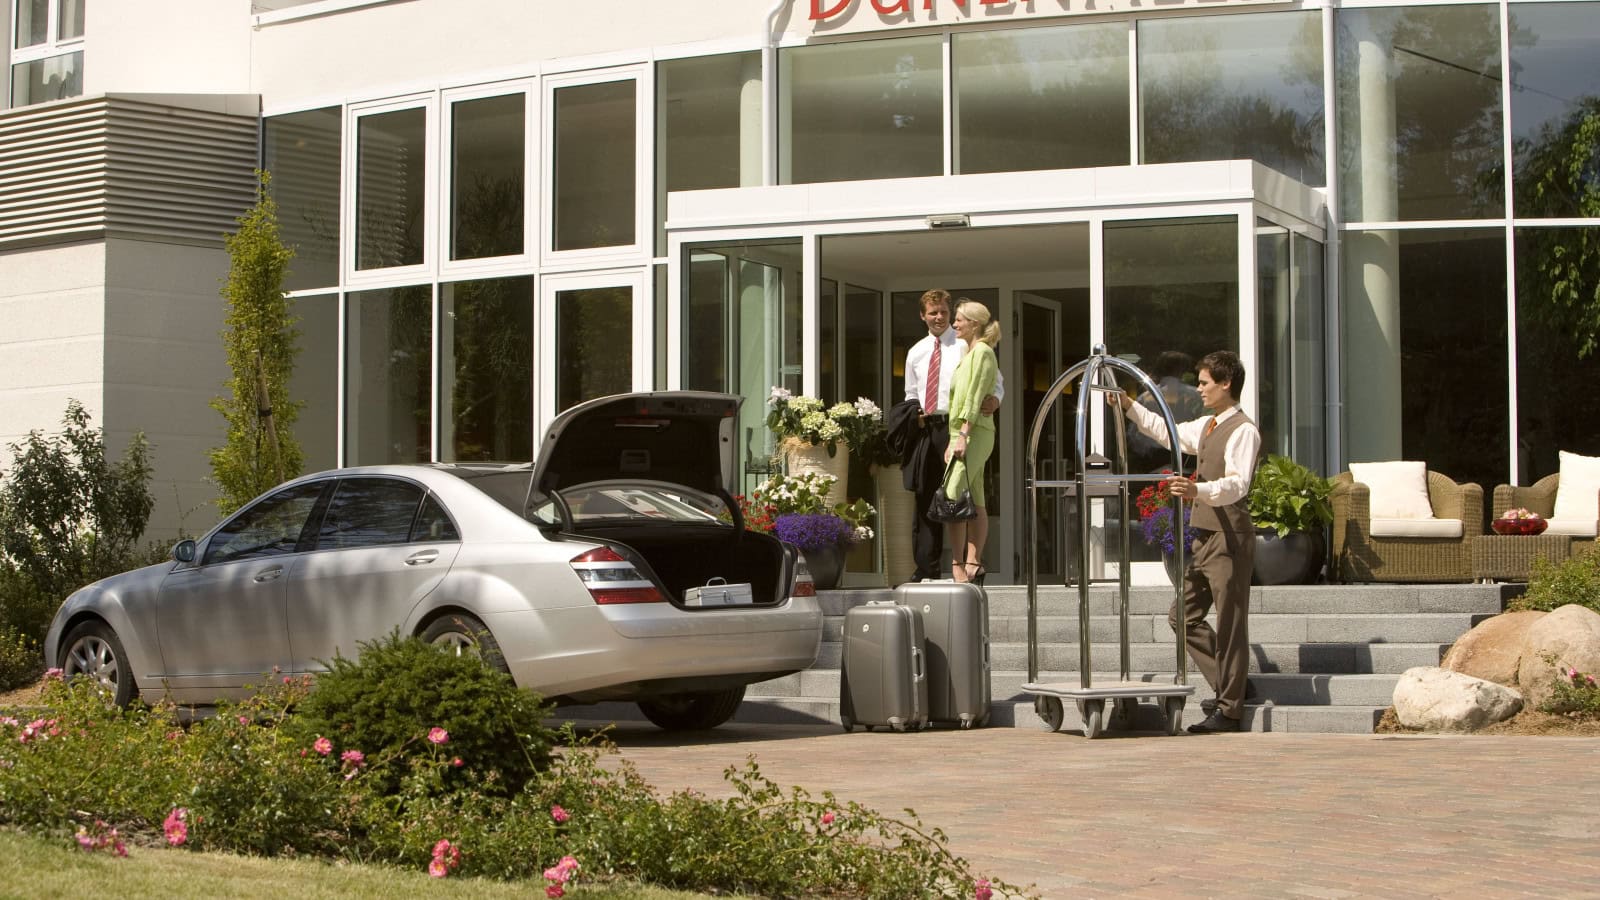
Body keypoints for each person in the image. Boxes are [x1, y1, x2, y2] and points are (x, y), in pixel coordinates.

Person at [1115, 351, 1260, 733]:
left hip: (1230, 537)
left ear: (1226, 384)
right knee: (1182, 616)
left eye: (1204, 382)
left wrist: (1198, 489)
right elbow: (1169, 432)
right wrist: (1129, 405)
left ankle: (1230, 709)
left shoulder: (1243, 430)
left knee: (1230, 623)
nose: (1199, 388)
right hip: (1206, 537)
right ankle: (1236, 684)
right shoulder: (1210, 425)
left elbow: (1237, 484)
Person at [902, 290, 1001, 582]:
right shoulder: (916, 352)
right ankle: (929, 570)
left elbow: (990, 385)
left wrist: (995, 400)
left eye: (946, 313)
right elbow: (911, 392)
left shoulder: (968, 348)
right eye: (933, 313)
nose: (941, 318)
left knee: (954, 495)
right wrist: (914, 415)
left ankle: (963, 565)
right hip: (928, 427)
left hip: (958, 427)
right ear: (923, 316)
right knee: (927, 499)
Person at [943, 300, 1002, 585]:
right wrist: (953, 438)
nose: (954, 324)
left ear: (974, 324)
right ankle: (972, 564)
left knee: (953, 495)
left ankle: (958, 564)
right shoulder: (968, 354)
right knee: (974, 495)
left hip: (975, 431)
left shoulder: (982, 353)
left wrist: (963, 434)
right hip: (963, 432)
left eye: (959, 320)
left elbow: (975, 395)